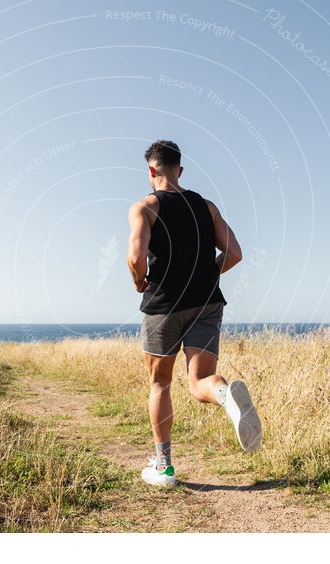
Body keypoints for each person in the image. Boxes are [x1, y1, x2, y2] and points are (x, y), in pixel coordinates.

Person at [126, 139, 263, 487]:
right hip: (207, 302)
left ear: (151, 171)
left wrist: (139, 281)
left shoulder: (145, 208)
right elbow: (233, 253)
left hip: (165, 304)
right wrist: (204, 276)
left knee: (160, 383)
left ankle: (164, 467)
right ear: (180, 171)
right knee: (200, 380)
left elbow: (135, 256)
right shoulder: (207, 207)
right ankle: (224, 394)